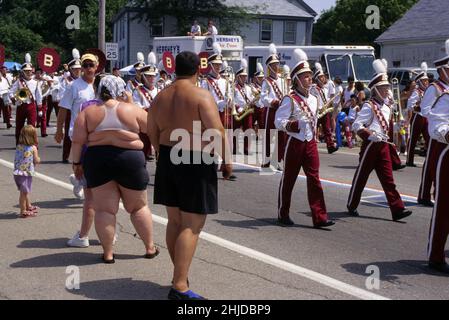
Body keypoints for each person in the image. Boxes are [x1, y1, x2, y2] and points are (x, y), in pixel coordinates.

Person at [148, 51, 233, 300]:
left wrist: (159, 150)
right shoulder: (200, 95)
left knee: (174, 220)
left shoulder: (161, 97)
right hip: (195, 159)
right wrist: (227, 160)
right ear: (198, 70)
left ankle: (179, 275)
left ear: (175, 69)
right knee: (192, 224)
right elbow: (216, 130)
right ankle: (180, 285)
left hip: (167, 155)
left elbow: (150, 129)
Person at [71, 74, 158, 264]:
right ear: (120, 89)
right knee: (138, 207)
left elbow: (77, 142)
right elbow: (152, 129)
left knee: (104, 209)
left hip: (98, 159)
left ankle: (108, 253)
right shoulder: (132, 110)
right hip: (130, 159)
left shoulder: (88, 112)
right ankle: (149, 247)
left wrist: (76, 164)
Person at [274, 49, 335, 228]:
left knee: (314, 179)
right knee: (289, 179)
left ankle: (320, 217)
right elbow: (279, 121)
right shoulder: (290, 99)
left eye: (310, 75)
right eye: (306, 76)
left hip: (310, 143)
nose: (310, 79)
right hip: (295, 142)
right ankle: (282, 213)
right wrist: (294, 124)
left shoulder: (315, 100)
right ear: (297, 79)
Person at [347, 59, 412, 220]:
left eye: (387, 87)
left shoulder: (387, 106)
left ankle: (397, 209)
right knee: (362, 176)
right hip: (370, 145)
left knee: (388, 179)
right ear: (375, 89)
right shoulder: (369, 106)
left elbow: (388, 123)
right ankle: (351, 204)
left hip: (383, 146)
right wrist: (369, 134)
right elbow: (356, 125)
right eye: (383, 88)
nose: (386, 90)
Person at [59, 53, 98, 247]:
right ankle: (78, 179)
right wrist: (59, 130)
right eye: (86, 65)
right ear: (81, 67)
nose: (89, 68)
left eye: (92, 65)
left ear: (97, 66)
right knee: (83, 172)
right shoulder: (73, 86)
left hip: (97, 136)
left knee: (90, 178)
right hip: (78, 135)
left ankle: (78, 180)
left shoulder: (100, 85)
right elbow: (64, 109)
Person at [426, 39, 449, 274]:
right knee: (444, 207)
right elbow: (435, 125)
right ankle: (435, 256)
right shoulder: (445, 97)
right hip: (448, 155)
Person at [418, 48, 449, 208]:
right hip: (437, 131)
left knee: (433, 164)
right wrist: (438, 119)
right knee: (432, 164)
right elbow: (425, 110)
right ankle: (425, 195)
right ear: (442, 70)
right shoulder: (434, 88)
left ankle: (426, 195)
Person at [261, 43, 286, 169]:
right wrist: (274, 102)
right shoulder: (266, 81)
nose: (276, 66)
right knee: (269, 136)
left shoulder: (282, 80)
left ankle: (277, 160)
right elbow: (263, 97)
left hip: (282, 112)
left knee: (281, 136)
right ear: (269, 67)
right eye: (274, 65)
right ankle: (266, 160)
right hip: (271, 111)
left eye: (277, 64)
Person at [55, 49, 82, 163]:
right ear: (70, 69)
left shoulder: (83, 81)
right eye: (75, 69)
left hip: (80, 109)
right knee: (68, 133)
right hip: (69, 109)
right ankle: (66, 155)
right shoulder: (66, 81)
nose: (78, 71)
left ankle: (80, 156)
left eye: (79, 69)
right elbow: (60, 95)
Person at [9, 54, 43, 145]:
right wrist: (15, 98)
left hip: (31, 107)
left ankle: (33, 146)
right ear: (23, 72)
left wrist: (39, 108)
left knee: (31, 127)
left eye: (30, 71)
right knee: (19, 127)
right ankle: (18, 145)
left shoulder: (36, 82)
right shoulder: (19, 81)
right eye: (26, 71)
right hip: (21, 106)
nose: (29, 72)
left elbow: (39, 96)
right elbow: (11, 92)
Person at [310, 62, 338, 154]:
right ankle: (311, 145)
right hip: (317, 112)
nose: (323, 78)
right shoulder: (314, 88)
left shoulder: (324, 89)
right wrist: (317, 109)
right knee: (313, 129)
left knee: (327, 129)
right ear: (317, 78)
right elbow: (313, 99)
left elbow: (326, 100)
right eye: (321, 77)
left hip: (324, 111)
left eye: (323, 77)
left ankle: (330, 146)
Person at [406, 63, 430, 167]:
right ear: (420, 82)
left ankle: (429, 160)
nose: (427, 82)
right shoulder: (417, 91)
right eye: (424, 81)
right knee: (413, 138)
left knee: (429, 139)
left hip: (426, 117)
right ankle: (409, 160)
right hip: (418, 117)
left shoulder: (428, 92)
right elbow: (410, 104)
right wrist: (418, 106)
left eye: (427, 80)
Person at [14, 125, 41, 218]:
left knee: (25, 191)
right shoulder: (33, 148)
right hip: (26, 173)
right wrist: (38, 159)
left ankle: (28, 206)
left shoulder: (19, 146)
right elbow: (36, 160)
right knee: (24, 193)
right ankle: (23, 211)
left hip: (18, 173)